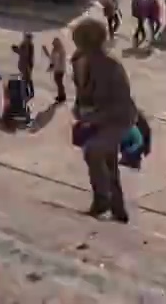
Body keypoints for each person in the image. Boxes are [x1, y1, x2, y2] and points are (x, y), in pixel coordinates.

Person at [71, 18, 138, 223]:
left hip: (119, 120)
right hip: (96, 118)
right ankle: (117, 209)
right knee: (108, 162)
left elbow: (121, 104)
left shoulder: (112, 67)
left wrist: (93, 116)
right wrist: (79, 109)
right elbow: (83, 92)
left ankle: (102, 201)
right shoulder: (79, 61)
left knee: (94, 151)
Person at [44, 37, 68, 103]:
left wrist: (51, 66)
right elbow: (52, 58)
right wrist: (46, 51)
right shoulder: (59, 49)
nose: (53, 44)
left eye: (54, 43)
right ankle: (61, 95)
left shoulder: (58, 50)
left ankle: (62, 96)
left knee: (59, 83)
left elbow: (54, 59)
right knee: (59, 83)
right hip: (59, 68)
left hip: (59, 69)